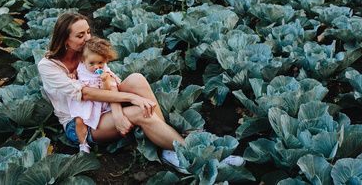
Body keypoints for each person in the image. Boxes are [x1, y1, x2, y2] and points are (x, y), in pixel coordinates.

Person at [37, 11, 243, 174]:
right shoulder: (48, 66)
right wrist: (131, 98)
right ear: (65, 39)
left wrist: (117, 112)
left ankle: (167, 149)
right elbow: (87, 94)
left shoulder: (88, 52)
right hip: (81, 122)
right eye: (80, 35)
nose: (87, 38)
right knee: (138, 111)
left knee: (136, 79)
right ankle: (205, 157)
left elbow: (112, 84)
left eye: (88, 32)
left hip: (104, 107)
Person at [68, 36, 122, 153]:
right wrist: (73, 74)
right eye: (92, 63)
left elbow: (105, 91)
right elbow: (77, 72)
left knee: (104, 119)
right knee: (79, 120)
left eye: (100, 63)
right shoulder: (81, 67)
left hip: (100, 100)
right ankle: (83, 144)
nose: (96, 67)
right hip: (86, 101)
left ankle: (111, 140)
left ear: (105, 61)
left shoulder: (104, 73)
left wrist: (104, 80)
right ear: (83, 60)